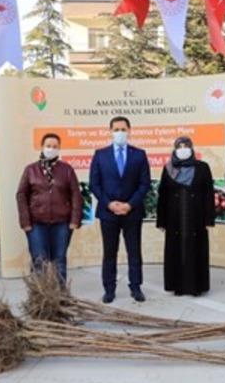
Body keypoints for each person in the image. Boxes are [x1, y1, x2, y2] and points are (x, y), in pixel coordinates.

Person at [89, 116, 151, 303]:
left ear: (130, 131)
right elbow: (95, 184)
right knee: (110, 252)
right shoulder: (100, 154)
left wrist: (129, 204)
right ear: (110, 132)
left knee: (134, 251)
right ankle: (109, 289)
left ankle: (136, 287)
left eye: (123, 129)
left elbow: (144, 184)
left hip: (132, 212)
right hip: (108, 213)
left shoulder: (139, 154)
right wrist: (109, 204)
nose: (120, 133)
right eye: (116, 129)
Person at [16, 132, 82, 283]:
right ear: (42, 147)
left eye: (55, 146)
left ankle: (60, 297)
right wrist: (25, 222)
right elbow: (21, 195)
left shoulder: (67, 170)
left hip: (62, 223)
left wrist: (74, 220)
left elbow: (76, 195)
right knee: (39, 260)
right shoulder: (30, 170)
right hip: (36, 223)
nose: (51, 149)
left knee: (59, 260)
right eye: (48, 146)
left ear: (59, 149)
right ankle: (40, 297)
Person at [156, 137, 216, 296]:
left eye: (186, 146)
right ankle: (178, 286)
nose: (183, 148)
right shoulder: (169, 168)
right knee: (177, 249)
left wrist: (209, 218)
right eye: (179, 146)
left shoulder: (202, 167)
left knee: (196, 249)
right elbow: (162, 194)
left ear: (192, 148)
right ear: (175, 149)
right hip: (174, 217)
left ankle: (196, 287)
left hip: (196, 217)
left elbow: (209, 193)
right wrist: (161, 220)